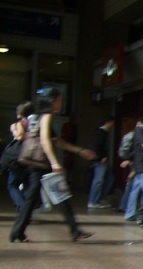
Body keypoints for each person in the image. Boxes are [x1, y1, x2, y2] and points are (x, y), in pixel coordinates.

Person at [9, 87, 95, 243]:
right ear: (52, 101)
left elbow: (58, 142)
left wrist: (80, 150)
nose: (61, 103)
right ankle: (74, 230)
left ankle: (17, 232)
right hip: (43, 163)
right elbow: (44, 140)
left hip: (35, 162)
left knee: (35, 198)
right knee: (60, 196)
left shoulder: (37, 116)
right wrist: (54, 162)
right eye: (60, 100)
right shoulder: (47, 116)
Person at [124, 115, 143, 221]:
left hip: (139, 164)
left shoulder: (140, 130)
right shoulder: (140, 130)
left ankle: (130, 213)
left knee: (136, 189)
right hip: (142, 164)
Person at [5, 101, 35, 211]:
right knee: (27, 184)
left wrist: (13, 129)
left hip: (19, 158)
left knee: (12, 184)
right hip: (31, 157)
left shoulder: (21, 123)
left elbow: (19, 136)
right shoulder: (36, 123)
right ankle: (28, 205)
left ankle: (23, 208)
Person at [87, 114, 115, 209]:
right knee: (99, 180)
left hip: (100, 159)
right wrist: (102, 156)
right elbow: (98, 146)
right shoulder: (101, 132)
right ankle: (93, 200)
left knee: (108, 178)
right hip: (100, 160)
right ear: (108, 122)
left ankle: (99, 198)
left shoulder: (102, 132)